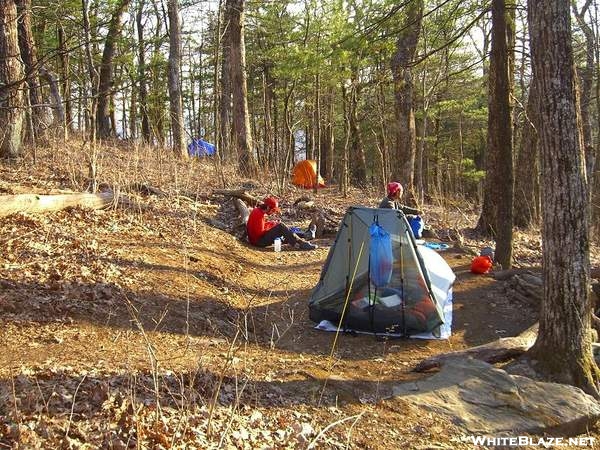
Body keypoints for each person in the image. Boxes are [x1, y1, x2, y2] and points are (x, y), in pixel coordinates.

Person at [247, 196, 318, 251]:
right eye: (273, 210)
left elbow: (261, 226)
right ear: (268, 207)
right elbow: (259, 233)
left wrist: (272, 224)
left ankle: (305, 235)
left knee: (283, 229)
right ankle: (301, 243)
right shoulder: (258, 214)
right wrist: (272, 226)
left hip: (257, 239)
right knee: (281, 226)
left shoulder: (258, 211)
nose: (273, 212)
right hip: (258, 242)